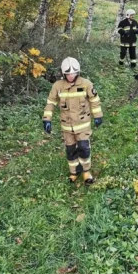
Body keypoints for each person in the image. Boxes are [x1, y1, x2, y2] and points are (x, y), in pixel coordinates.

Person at [43, 57, 103, 185]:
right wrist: (47, 119)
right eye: (68, 73)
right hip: (67, 126)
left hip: (83, 125)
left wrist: (98, 116)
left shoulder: (86, 84)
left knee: (83, 148)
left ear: (78, 72)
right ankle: (74, 171)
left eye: (73, 73)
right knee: (70, 150)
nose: (71, 76)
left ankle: (86, 171)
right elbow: (51, 102)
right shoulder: (58, 86)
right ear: (64, 73)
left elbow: (94, 100)